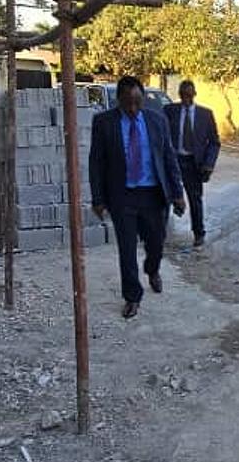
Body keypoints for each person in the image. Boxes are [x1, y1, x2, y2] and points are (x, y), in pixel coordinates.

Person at [89, 76, 185, 319]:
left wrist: (177, 193)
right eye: (127, 103)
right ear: (118, 100)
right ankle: (132, 297)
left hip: (153, 195)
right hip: (123, 196)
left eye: (137, 102)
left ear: (143, 98)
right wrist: (98, 198)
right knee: (127, 249)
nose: (133, 108)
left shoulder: (157, 120)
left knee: (156, 243)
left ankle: (152, 269)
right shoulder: (104, 122)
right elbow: (96, 163)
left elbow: (169, 158)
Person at [163, 81, 220, 247]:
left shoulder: (205, 114)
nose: (186, 98)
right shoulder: (169, 111)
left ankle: (198, 233)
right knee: (166, 195)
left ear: (194, 94)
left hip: (194, 163)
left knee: (195, 199)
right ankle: (160, 232)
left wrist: (209, 163)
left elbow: (214, 142)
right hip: (174, 160)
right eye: (183, 95)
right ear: (179, 95)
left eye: (189, 95)